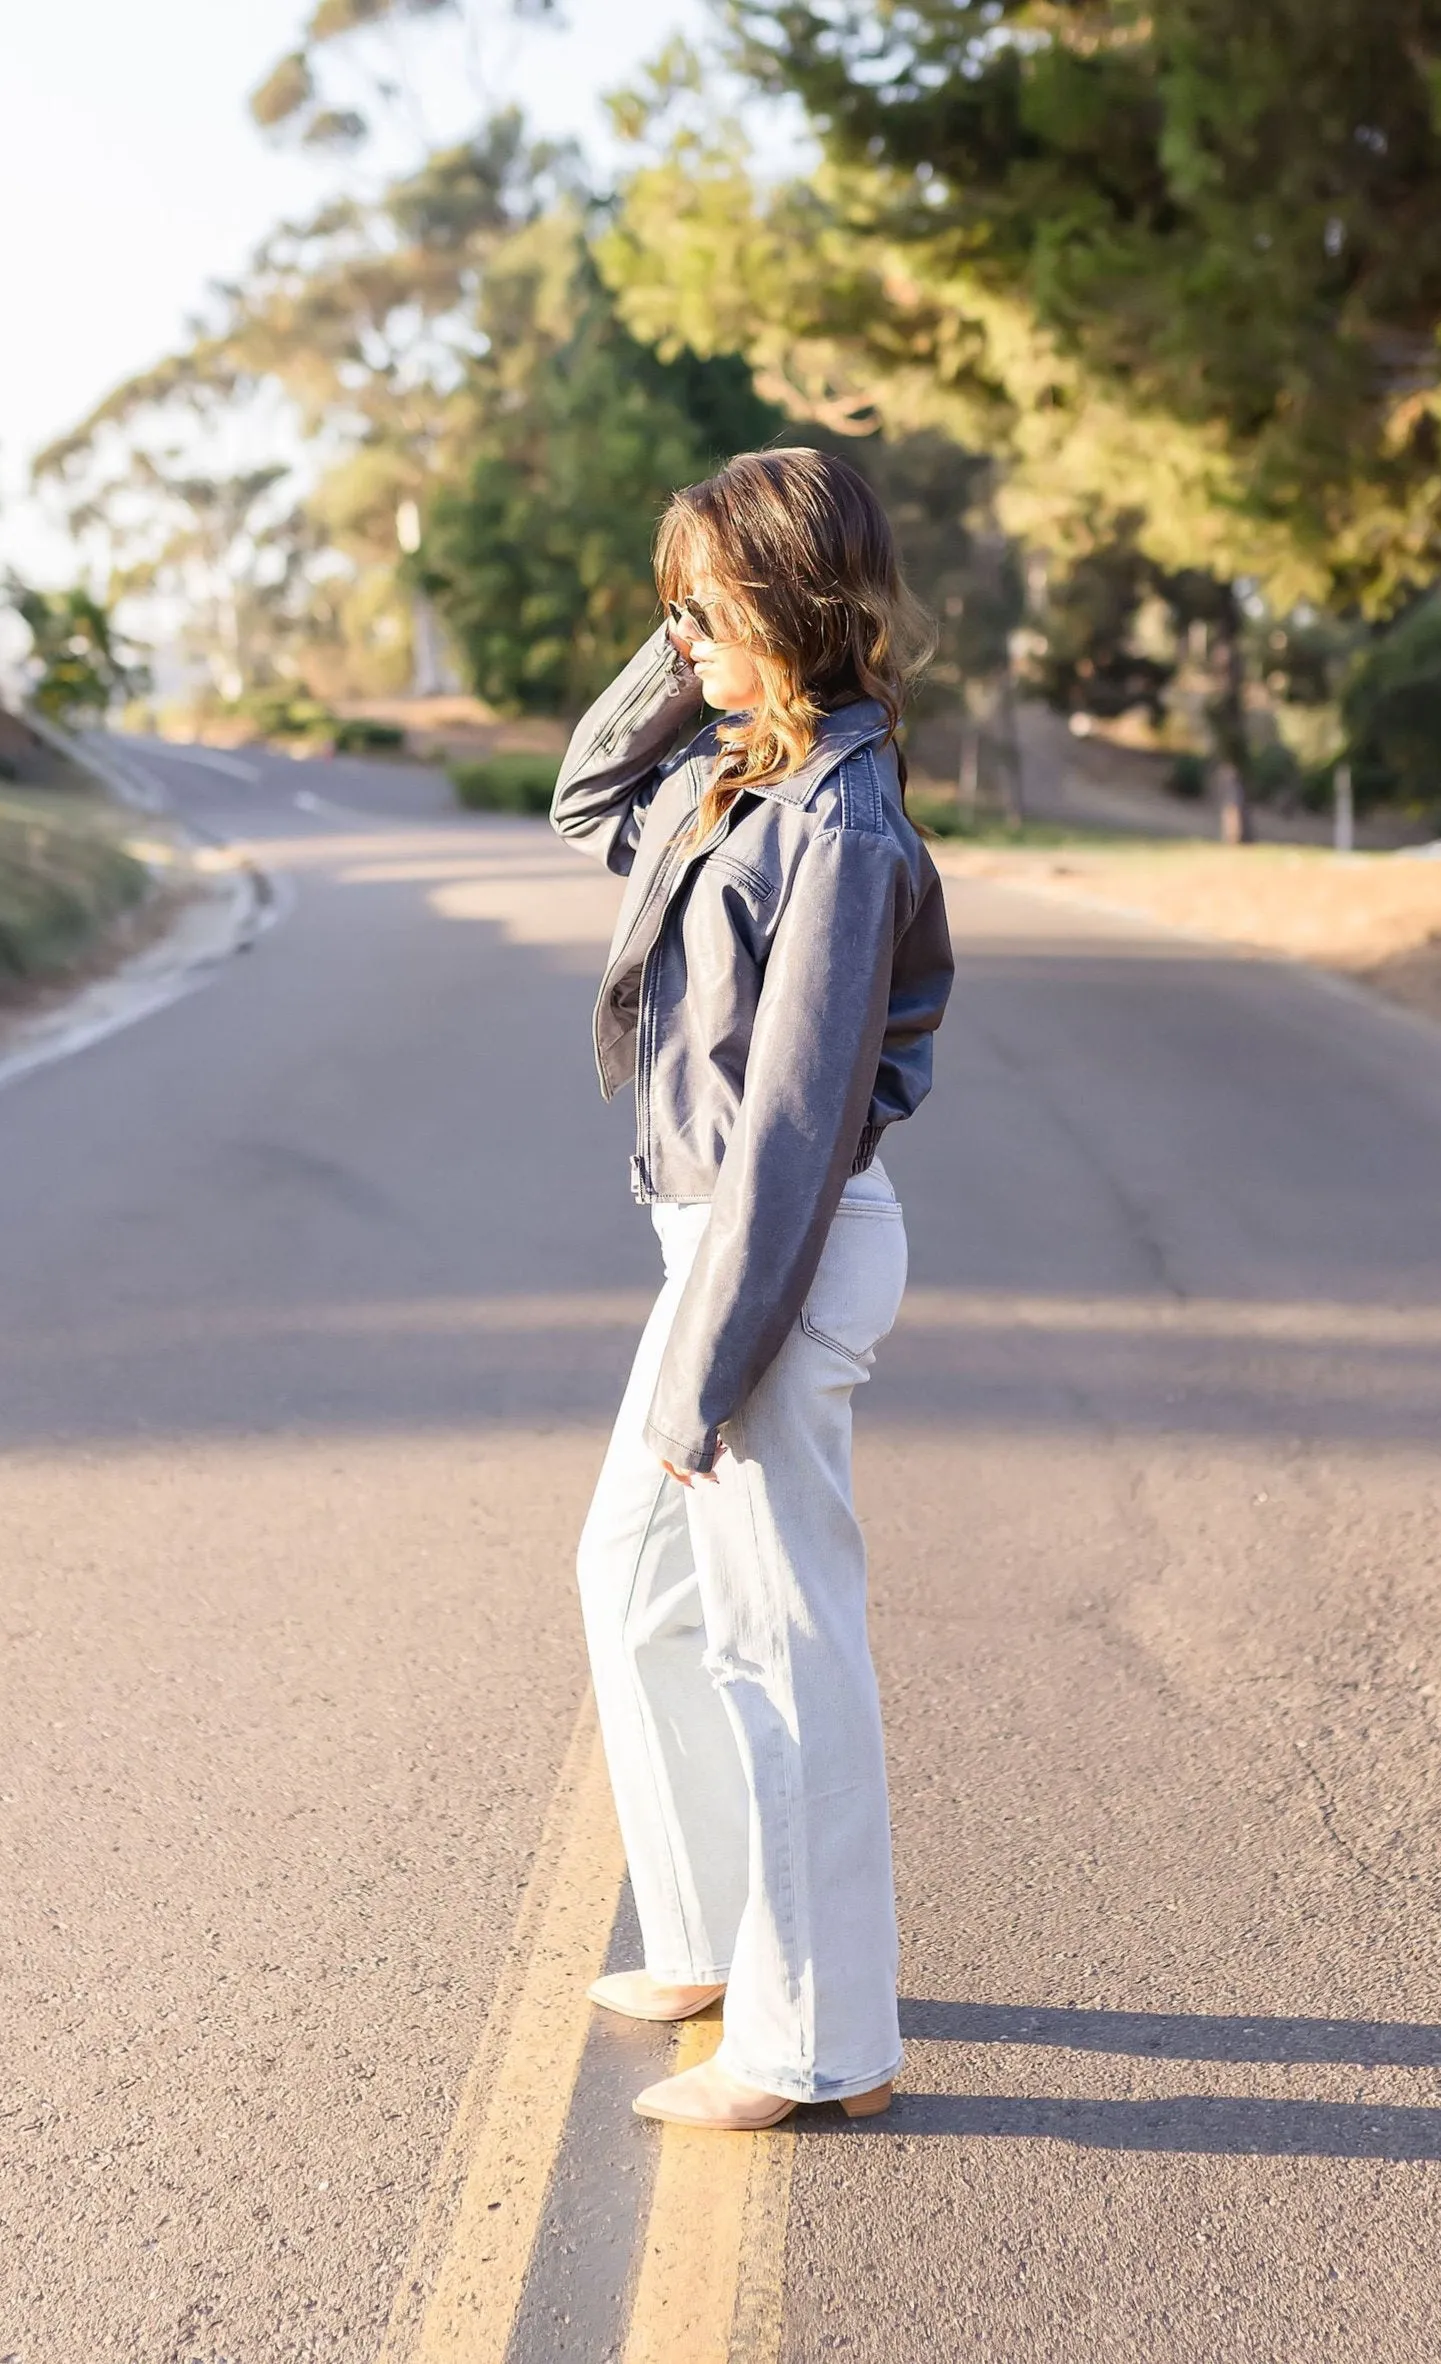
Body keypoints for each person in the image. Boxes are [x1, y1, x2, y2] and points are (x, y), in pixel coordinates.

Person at [549, 447, 954, 2131]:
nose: (684, 634)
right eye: (675, 607)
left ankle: (819, 2043)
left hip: (769, 1258)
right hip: (710, 1249)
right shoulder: (736, 776)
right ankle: (720, 1931)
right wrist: (683, 644)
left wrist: (708, 1372)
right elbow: (583, 800)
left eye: (708, 607)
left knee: (780, 1644)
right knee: (634, 1586)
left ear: (789, 604)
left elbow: (792, 1129)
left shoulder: (843, 827)